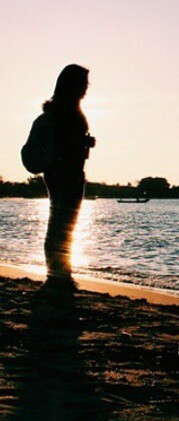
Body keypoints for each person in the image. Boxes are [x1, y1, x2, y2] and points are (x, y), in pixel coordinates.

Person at [42, 64, 95, 287]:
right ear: (72, 85)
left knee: (62, 223)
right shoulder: (64, 111)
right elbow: (62, 142)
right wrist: (83, 142)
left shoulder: (66, 108)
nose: (86, 88)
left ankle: (59, 273)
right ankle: (58, 275)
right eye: (83, 83)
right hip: (65, 172)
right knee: (62, 224)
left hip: (67, 171)